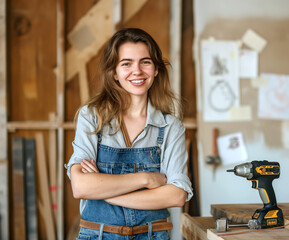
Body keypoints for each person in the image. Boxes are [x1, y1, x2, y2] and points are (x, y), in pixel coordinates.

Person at [65, 28, 193, 240]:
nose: (137, 71)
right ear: (114, 72)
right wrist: (146, 179)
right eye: (126, 63)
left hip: (152, 236)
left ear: (156, 69)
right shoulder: (92, 117)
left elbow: (177, 195)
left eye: (145, 62)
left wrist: (107, 193)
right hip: (98, 235)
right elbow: (81, 187)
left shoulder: (171, 127)